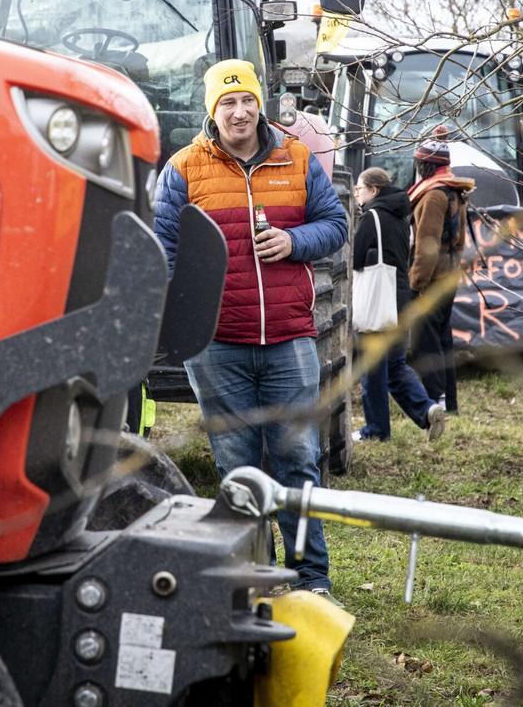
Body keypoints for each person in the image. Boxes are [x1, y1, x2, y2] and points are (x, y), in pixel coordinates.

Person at [152, 58, 348, 596]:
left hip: (290, 338)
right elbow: (163, 253)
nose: (238, 112)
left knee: (298, 462)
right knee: (237, 469)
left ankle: (311, 579)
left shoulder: (299, 159)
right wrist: (179, 326)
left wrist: (293, 243)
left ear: (259, 103)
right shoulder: (183, 169)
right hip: (218, 347)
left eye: (246, 101)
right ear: (211, 111)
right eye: (226, 103)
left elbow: (335, 224)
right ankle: (253, 578)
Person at [351, 167, 447, 443]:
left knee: (373, 368)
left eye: (360, 188)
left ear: (374, 190)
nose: (357, 193)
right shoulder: (401, 216)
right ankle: (427, 409)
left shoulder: (371, 216)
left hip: (377, 301)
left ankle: (376, 429)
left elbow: (356, 258)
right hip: (400, 297)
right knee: (394, 366)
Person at [407, 126, 476, 414]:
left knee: (426, 343)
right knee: (442, 339)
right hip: (448, 276)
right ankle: (449, 402)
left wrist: (416, 283)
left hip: (433, 280)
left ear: (426, 165)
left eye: (420, 163)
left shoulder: (435, 195)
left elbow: (428, 245)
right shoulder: (453, 190)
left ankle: (434, 399)